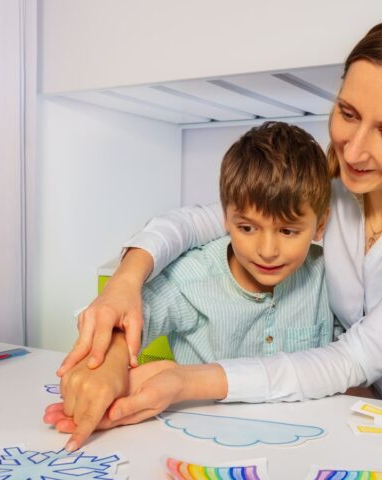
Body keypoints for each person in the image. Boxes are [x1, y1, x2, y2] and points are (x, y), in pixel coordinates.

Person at [46, 14, 382, 451]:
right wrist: (127, 282)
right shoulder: (336, 193)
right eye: (348, 114)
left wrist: (184, 382)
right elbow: (199, 219)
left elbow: (354, 358)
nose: (353, 150)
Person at [48, 121, 338, 450]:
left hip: (308, 445)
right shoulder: (193, 277)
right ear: (225, 219)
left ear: (320, 225)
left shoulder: (329, 277)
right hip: (201, 445)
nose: (267, 250)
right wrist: (110, 364)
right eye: (247, 228)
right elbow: (127, 316)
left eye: (288, 231)